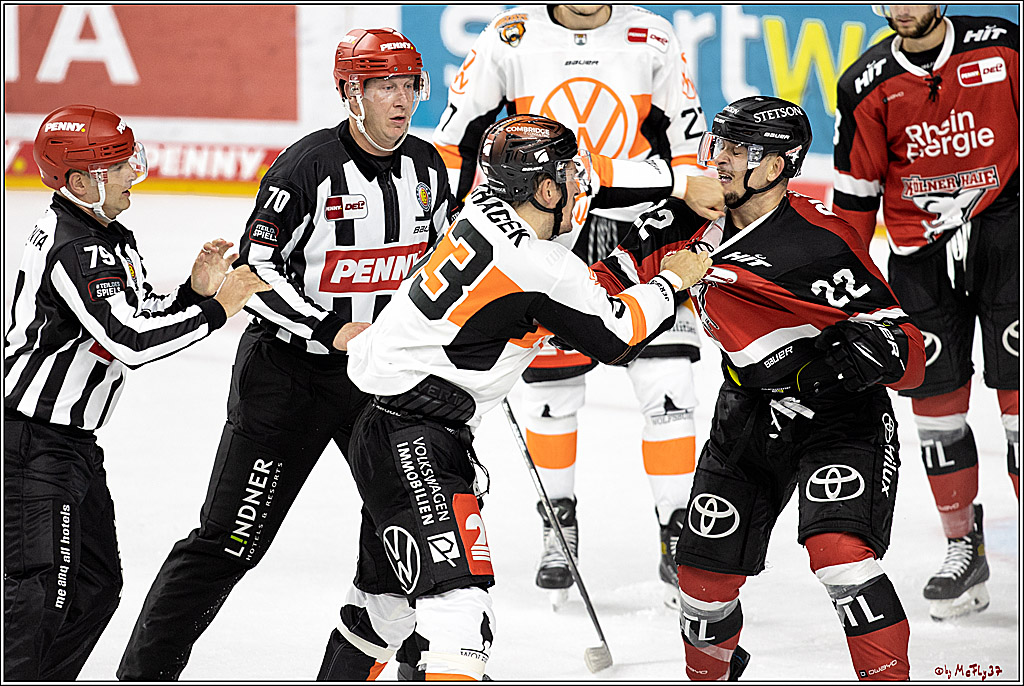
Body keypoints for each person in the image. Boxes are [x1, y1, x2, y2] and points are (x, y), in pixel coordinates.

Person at [315, 113, 712, 681]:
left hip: (390, 427)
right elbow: (616, 337)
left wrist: (675, 195)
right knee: (460, 613)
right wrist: (674, 281)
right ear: (545, 187)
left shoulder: (485, 206)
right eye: (569, 174)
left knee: (385, 609)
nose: (581, 182)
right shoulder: (537, 265)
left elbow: (575, 257)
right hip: (417, 446)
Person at [116, 28, 454, 680]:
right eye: (384, 84)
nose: (401, 98)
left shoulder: (428, 168)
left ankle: (383, 653)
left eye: (409, 83)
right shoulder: (304, 168)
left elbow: (442, 268)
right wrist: (332, 329)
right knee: (231, 544)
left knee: (406, 518)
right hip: (288, 379)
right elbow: (254, 276)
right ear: (351, 92)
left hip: (375, 380)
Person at [593, 97, 927, 680]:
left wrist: (858, 359)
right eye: (718, 144)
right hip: (748, 410)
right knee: (700, 579)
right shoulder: (674, 223)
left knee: (841, 559)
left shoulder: (819, 240)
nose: (718, 160)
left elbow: (909, 353)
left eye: (736, 150)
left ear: (775, 167)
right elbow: (600, 291)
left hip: (839, 418)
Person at [432, 3, 722, 604]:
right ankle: (556, 521)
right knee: (550, 392)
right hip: (542, 234)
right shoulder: (509, 37)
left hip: (643, 224)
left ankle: (678, 533)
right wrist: (445, 221)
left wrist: (689, 225)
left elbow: (689, 149)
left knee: (668, 381)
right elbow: (457, 142)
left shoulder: (654, 35)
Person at [3, 104, 268, 681]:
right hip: (30, 445)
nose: (134, 173)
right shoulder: (75, 248)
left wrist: (193, 294)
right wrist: (218, 311)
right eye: (118, 165)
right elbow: (129, 340)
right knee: (38, 594)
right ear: (80, 182)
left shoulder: (106, 236)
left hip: (69, 447)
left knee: (96, 588)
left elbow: (135, 311)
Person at [832, 4, 1019, 621]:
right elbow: (856, 194)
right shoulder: (865, 82)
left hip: (1008, 242)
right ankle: (963, 545)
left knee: (1019, 411)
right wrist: (850, 290)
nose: (903, 9)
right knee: (937, 415)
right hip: (918, 261)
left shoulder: (1005, 46)